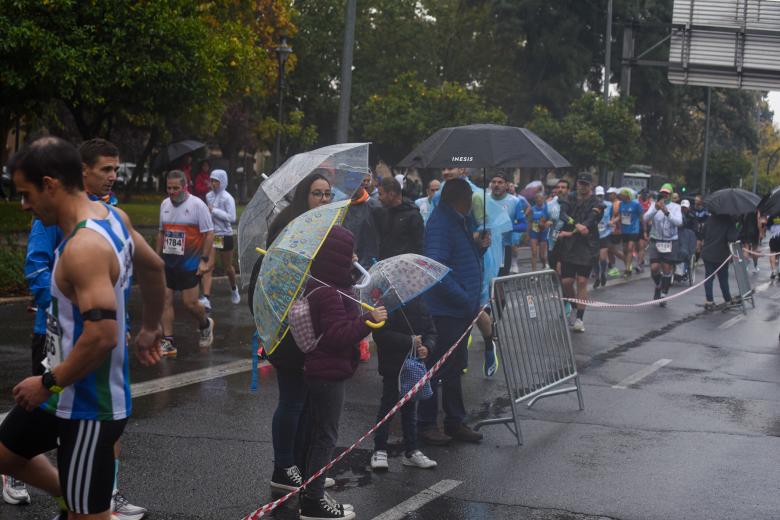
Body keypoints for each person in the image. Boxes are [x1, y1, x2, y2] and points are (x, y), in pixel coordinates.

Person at [0, 136, 164, 520]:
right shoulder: (114, 218)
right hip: (63, 390)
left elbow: (102, 336)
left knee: (87, 518)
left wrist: (46, 382)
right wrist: (151, 327)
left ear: (51, 185)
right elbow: (154, 267)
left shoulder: (84, 247)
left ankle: (86, 503)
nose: (24, 205)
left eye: (26, 194)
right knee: (5, 454)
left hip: (89, 405)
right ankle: (74, 492)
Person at [246, 173, 340, 495]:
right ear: (304, 196)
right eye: (317, 193)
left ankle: (300, 467)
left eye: (328, 194)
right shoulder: (290, 228)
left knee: (308, 403)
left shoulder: (327, 228)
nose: (324, 200)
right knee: (292, 400)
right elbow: (276, 278)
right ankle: (283, 467)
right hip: (287, 327)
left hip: (314, 328)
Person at [299, 225, 386, 520]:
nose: (355, 257)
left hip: (320, 370)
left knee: (318, 434)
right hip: (327, 372)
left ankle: (312, 492)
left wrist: (362, 317)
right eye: (350, 252)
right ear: (337, 255)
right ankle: (312, 503)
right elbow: (337, 336)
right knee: (325, 437)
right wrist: (368, 321)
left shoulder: (326, 286)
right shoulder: (329, 293)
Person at [418, 179, 488, 445]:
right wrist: (462, 296)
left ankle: (454, 421)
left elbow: (461, 258)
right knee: (436, 368)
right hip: (446, 310)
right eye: (470, 195)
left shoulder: (458, 221)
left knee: (455, 367)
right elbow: (435, 267)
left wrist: (479, 247)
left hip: (459, 310)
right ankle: (426, 423)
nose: (472, 201)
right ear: (461, 197)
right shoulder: (441, 224)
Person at [369, 297, 437, 470]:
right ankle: (379, 449)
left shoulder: (422, 303)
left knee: (410, 410)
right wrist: (409, 341)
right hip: (393, 368)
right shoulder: (388, 305)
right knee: (387, 409)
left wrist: (427, 347)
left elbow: (431, 332)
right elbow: (380, 335)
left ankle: (412, 450)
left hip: (414, 367)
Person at [157, 170, 215, 357]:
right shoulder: (165, 204)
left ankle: (205, 324)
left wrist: (204, 260)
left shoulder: (197, 205)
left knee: (189, 304)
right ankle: (168, 341)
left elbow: (209, 233)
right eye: (168, 188)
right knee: (164, 300)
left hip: (190, 263)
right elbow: (161, 232)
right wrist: (156, 258)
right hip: (169, 262)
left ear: (184, 187)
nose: (172, 192)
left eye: (175, 188)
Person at [556, 173, 602, 333]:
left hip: (587, 245)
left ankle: (580, 318)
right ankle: (574, 307)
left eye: (585, 184)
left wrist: (581, 228)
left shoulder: (597, 202)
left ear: (591, 186)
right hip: (569, 244)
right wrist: (575, 225)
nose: (582, 186)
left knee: (582, 281)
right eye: (580, 183)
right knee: (567, 282)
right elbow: (563, 215)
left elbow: (592, 219)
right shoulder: (568, 198)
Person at [201, 169, 240, 306]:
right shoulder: (208, 196)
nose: (212, 183)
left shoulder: (228, 198)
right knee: (209, 265)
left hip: (225, 235)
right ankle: (206, 297)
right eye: (211, 180)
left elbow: (232, 217)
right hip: (213, 235)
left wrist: (215, 211)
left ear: (222, 181)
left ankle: (234, 288)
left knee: (227, 267)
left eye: (215, 181)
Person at [643, 183, 683, 306]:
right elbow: (645, 218)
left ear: (671, 195)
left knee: (666, 268)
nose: (664, 196)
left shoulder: (676, 207)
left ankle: (664, 294)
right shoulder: (654, 205)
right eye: (663, 193)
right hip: (656, 239)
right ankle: (659, 285)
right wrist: (656, 208)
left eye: (667, 194)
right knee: (654, 268)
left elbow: (679, 222)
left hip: (670, 240)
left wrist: (666, 212)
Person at [376, 177, 424, 259]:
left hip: (406, 267)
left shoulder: (413, 216)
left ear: (391, 194)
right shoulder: (383, 213)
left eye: (381, 194)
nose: (379, 198)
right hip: (386, 266)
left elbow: (420, 246)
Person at [342, 173, 381, 269]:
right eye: (349, 188)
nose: (352, 192)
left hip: (370, 261)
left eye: (355, 188)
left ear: (362, 186)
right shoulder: (342, 206)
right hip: (349, 260)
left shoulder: (374, 206)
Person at [702, 213, 738, 310]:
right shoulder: (728, 221)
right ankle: (727, 299)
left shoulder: (709, 219)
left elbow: (702, 233)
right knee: (723, 278)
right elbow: (732, 238)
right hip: (721, 255)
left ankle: (709, 300)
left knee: (709, 277)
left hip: (707, 252)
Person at [488, 172, 520, 276]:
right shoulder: (484, 199)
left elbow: (523, 225)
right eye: (494, 182)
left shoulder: (514, 201)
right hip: (486, 247)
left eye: (500, 182)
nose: (496, 184)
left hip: (505, 247)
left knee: (501, 280)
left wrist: (508, 227)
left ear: (506, 185)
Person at [617, 188, 643, 277]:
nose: (621, 197)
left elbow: (641, 216)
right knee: (624, 249)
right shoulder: (621, 204)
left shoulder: (636, 204)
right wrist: (614, 222)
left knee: (630, 247)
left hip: (634, 229)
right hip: (624, 229)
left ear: (627, 195)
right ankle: (628, 265)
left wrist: (643, 229)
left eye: (622, 195)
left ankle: (628, 269)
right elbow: (620, 216)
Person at [593, 186, 613, 289]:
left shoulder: (609, 205)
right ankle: (597, 276)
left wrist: (611, 222)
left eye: (601, 195)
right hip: (593, 235)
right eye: (598, 196)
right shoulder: (591, 205)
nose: (599, 197)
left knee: (602, 257)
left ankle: (603, 273)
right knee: (595, 258)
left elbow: (613, 215)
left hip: (605, 233)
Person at [528, 192, 550, 271]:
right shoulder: (532, 209)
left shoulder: (547, 208)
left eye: (541, 198)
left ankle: (544, 264)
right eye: (537, 199)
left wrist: (546, 224)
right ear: (535, 200)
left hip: (543, 232)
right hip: (534, 232)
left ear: (543, 199)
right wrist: (528, 234)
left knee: (542, 255)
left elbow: (550, 220)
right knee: (534, 252)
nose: (539, 200)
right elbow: (530, 221)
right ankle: (533, 272)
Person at [606, 187, 623, 276]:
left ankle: (628, 262)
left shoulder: (619, 203)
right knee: (609, 250)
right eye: (608, 194)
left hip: (616, 229)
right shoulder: (609, 203)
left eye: (611, 194)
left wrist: (613, 221)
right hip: (609, 229)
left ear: (615, 194)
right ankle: (613, 267)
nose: (609, 195)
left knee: (613, 249)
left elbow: (620, 216)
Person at [690, 194, 710, 263]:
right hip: (692, 230)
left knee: (698, 247)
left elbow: (708, 220)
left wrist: (704, 224)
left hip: (700, 231)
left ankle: (695, 261)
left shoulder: (705, 210)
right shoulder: (691, 208)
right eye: (695, 200)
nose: (696, 201)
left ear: (701, 201)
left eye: (697, 200)